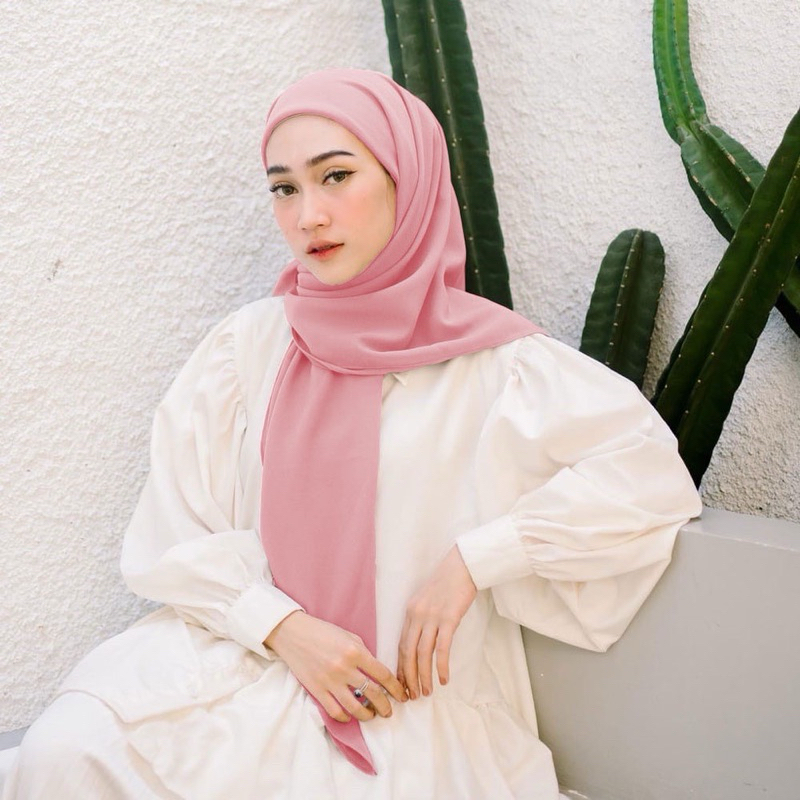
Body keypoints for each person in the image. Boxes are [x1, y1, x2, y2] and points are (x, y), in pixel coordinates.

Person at [3, 68, 701, 799]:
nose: (308, 215)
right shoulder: (247, 348)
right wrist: (283, 627)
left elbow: (646, 474)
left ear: (409, 181)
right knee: (67, 754)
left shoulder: (501, 367)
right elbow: (176, 532)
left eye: (336, 176)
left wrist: (475, 560)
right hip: (249, 663)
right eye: (285, 188)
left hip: (405, 704)